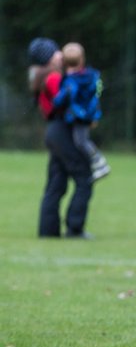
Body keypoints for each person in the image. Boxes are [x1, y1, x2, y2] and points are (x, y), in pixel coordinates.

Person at [30, 37, 94, 238]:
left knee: (56, 184)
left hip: (55, 132)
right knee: (84, 178)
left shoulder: (45, 75)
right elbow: (67, 100)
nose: (61, 54)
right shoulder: (54, 77)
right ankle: (75, 228)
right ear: (49, 57)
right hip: (62, 132)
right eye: (56, 52)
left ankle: (48, 231)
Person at [52, 42, 111, 182]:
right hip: (88, 113)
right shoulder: (92, 76)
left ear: (64, 62)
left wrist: (56, 101)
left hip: (78, 115)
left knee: (81, 141)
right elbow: (97, 93)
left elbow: (63, 97)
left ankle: (99, 163)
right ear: (82, 60)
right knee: (81, 140)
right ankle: (95, 164)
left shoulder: (71, 81)